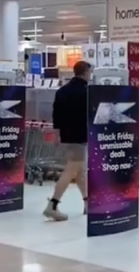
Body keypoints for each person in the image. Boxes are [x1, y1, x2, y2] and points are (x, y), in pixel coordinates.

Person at [44, 60, 91, 222]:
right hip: (80, 135)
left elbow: (56, 115)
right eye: (89, 73)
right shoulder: (86, 92)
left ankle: (87, 203)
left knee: (80, 171)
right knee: (72, 170)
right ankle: (53, 205)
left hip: (66, 135)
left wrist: (57, 135)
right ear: (85, 73)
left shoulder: (62, 91)